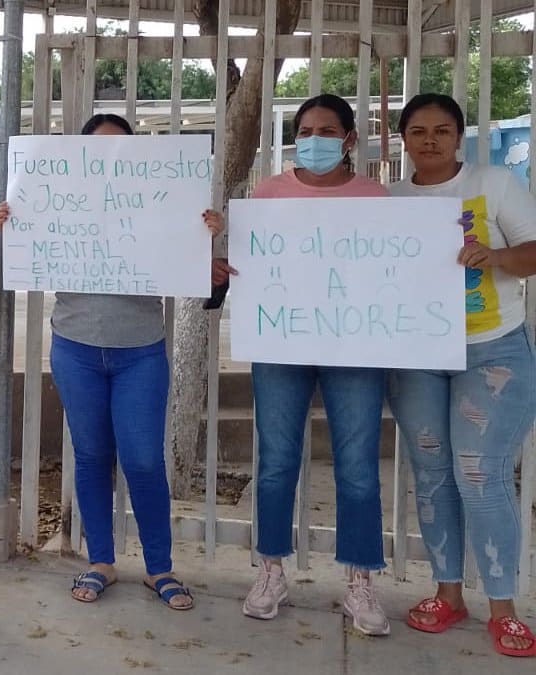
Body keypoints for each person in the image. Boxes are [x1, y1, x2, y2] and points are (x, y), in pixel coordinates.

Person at [0, 113, 221, 608]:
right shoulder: (58, 200)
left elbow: (195, 263)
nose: (109, 159)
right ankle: (101, 562)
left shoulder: (157, 203)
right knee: (91, 457)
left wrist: (204, 233)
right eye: (98, 149)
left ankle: (160, 568)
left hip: (140, 352)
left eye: (120, 149)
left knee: (141, 460)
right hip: (75, 348)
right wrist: (15, 221)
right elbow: (28, 248)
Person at [212, 94, 393, 635]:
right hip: (281, 346)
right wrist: (227, 266)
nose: (315, 140)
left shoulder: (375, 197)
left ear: (350, 140)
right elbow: (248, 265)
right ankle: (270, 570)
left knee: (358, 465)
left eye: (328, 130)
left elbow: (394, 271)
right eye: (306, 130)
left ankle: (359, 581)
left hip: (356, 348)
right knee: (276, 462)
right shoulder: (268, 193)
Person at [387, 93, 536, 657]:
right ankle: (448, 594)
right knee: (432, 471)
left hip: (491, 352)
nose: (430, 140)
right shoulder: (392, 198)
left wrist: (492, 257)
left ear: (459, 137)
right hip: (417, 354)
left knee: (481, 474)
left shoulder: (493, 183)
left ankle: (504, 608)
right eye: (419, 130)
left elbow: (534, 252)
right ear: (403, 138)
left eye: (442, 130)